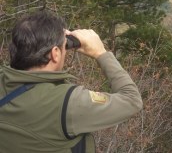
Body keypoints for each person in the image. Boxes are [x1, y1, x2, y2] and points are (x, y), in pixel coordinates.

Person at [0, 11, 143, 152]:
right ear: (55, 54)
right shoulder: (67, 103)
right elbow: (132, 100)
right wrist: (101, 53)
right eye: (64, 46)